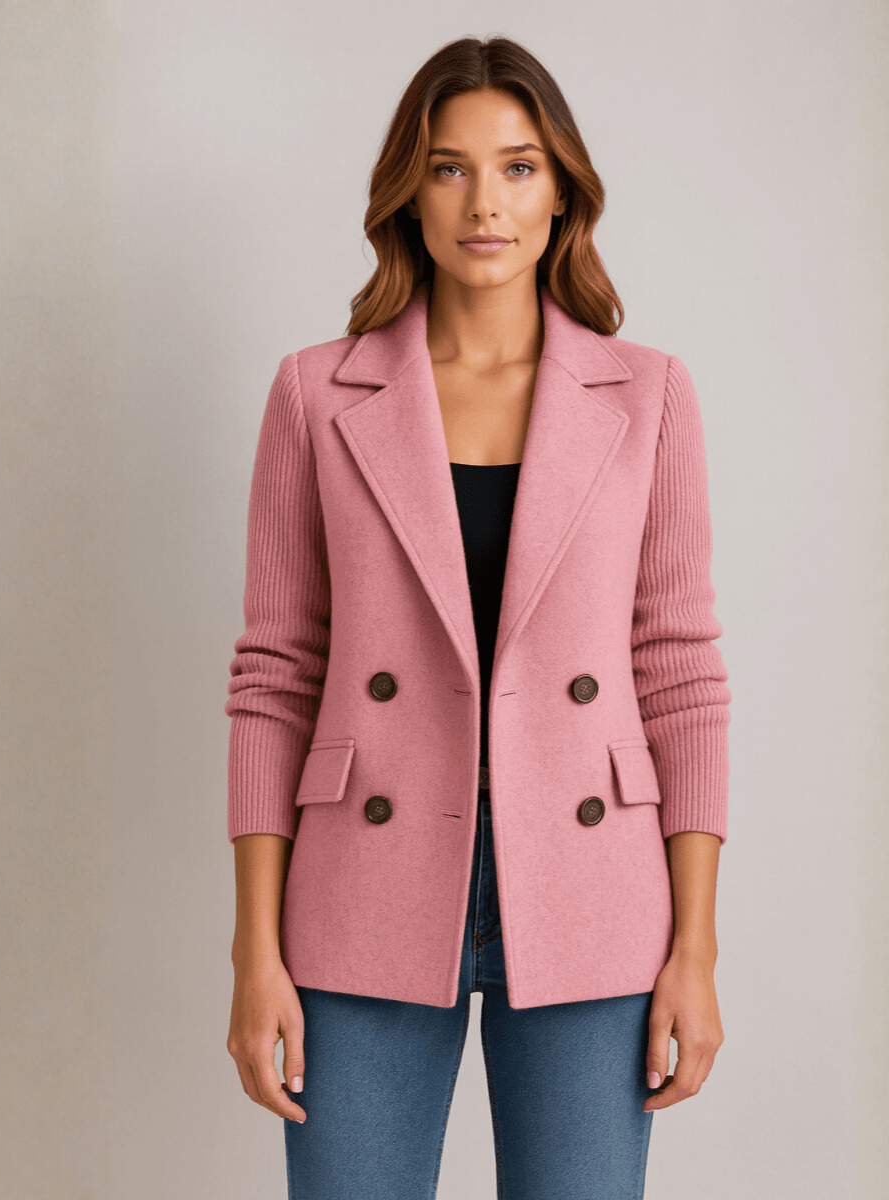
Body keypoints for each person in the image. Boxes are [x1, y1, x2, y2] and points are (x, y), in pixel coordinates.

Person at [224, 34, 730, 1200]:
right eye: (449, 168)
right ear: (410, 193)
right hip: (364, 884)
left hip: (594, 886)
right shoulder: (317, 392)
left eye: (517, 166)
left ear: (562, 193)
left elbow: (681, 677)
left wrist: (696, 950)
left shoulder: (649, 395)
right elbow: (275, 678)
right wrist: (254, 952)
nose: (484, 202)